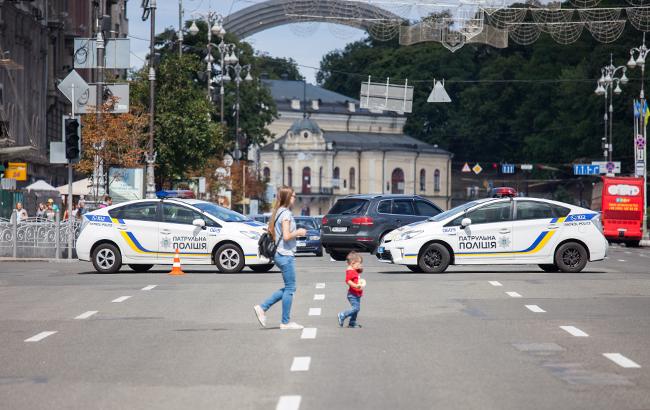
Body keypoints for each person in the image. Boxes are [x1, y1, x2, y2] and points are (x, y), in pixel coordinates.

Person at [253, 187, 308, 330]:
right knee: (290, 288)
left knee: (289, 287)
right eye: (293, 196)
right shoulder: (286, 214)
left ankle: (263, 308)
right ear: (287, 198)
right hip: (285, 254)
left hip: (280, 254)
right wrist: (299, 232)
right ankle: (285, 322)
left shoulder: (278, 212)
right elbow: (286, 236)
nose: (295, 198)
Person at [337, 251, 365, 328]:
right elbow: (348, 281)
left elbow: (360, 271)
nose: (360, 265)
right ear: (353, 263)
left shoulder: (354, 270)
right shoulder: (350, 271)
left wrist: (360, 268)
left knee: (356, 309)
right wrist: (355, 286)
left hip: (357, 293)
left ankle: (352, 323)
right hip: (353, 294)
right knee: (356, 308)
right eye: (359, 263)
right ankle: (343, 315)